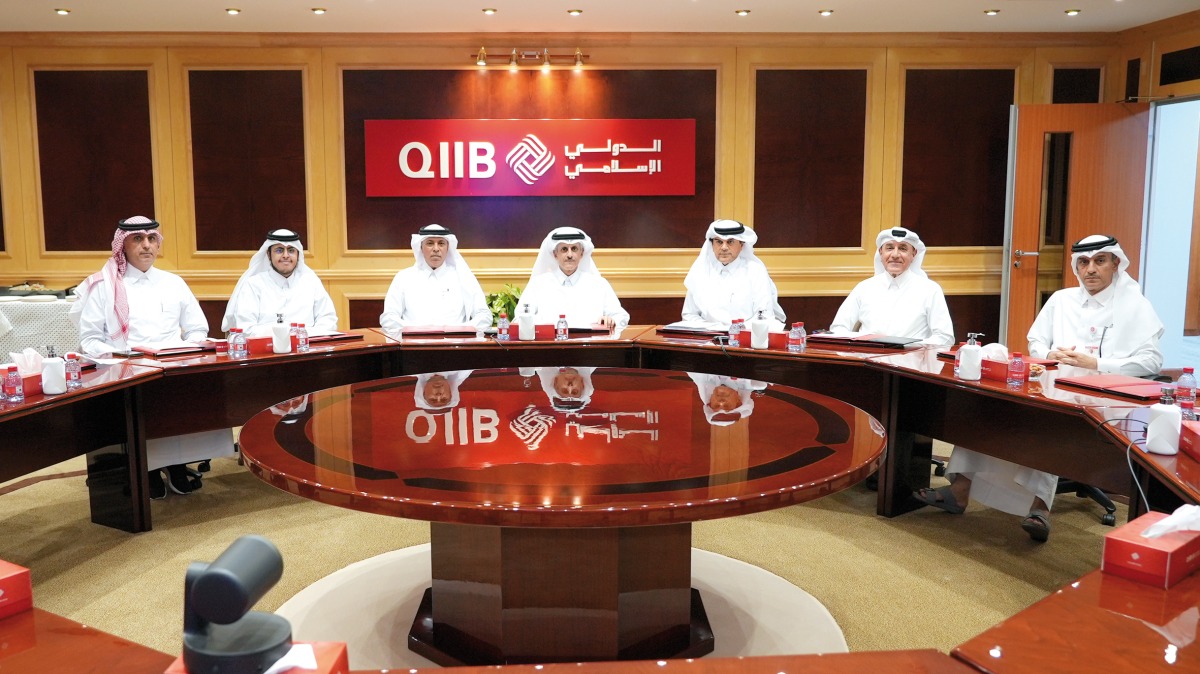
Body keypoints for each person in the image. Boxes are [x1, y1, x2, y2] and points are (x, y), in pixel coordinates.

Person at [914, 234, 1164, 542]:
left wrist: (1095, 364)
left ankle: (1040, 508)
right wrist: (1049, 355)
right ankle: (959, 490)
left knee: (1048, 424)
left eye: (1100, 261)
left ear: (1115, 263)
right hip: (1051, 385)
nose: (1091, 270)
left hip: (1103, 398)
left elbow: (1151, 361)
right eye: (1084, 262)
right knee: (992, 407)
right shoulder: (1061, 300)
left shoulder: (1135, 306)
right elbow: (1036, 341)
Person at [72, 216, 234, 499]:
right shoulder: (103, 285)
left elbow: (197, 328)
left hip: (173, 364)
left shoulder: (174, 282)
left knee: (195, 393)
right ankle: (145, 469)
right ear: (122, 246)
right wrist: (122, 357)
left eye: (152, 239)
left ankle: (177, 465)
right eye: (137, 239)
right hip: (127, 368)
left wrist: (187, 351)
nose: (146, 245)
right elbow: (90, 340)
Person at [830, 227, 954, 346]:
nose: (895, 254)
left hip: (911, 363)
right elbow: (838, 328)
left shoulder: (930, 290)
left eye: (903, 248)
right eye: (889, 248)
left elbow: (944, 337)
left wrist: (909, 346)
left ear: (914, 254)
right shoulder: (864, 288)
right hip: (867, 360)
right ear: (880, 252)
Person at [221, 229, 338, 336]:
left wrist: (300, 336)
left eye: (291, 250)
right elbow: (246, 329)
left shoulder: (310, 281)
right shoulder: (253, 284)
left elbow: (328, 321)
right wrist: (283, 334)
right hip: (265, 354)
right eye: (279, 250)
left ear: (298, 255)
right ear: (268, 255)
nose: (286, 255)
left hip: (306, 350)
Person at [380, 224, 491, 332]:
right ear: (421, 248)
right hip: (413, 346)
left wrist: (458, 330)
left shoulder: (463, 277)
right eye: (430, 243)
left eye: (441, 243)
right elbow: (388, 318)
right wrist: (419, 331)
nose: (436, 249)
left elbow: (484, 316)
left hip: (455, 345)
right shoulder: (404, 277)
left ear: (448, 248)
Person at [518, 227, 629, 330]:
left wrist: (611, 320)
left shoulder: (599, 284)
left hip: (591, 348)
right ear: (555, 254)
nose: (569, 255)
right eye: (564, 249)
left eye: (574, 249)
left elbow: (621, 317)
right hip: (550, 348)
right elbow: (519, 318)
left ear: (581, 253)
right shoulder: (538, 284)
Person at [681, 220, 785, 330]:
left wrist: (735, 331)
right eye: (719, 242)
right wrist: (713, 329)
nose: (724, 247)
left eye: (730, 242)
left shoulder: (755, 271)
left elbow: (764, 316)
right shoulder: (701, 271)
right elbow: (689, 315)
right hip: (708, 340)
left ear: (741, 245)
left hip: (744, 340)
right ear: (712, 244)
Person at [687, 372, 766, 426]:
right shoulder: (755, 382)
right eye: (727, 406)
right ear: (738, 402)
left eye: (716, 405)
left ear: (710, 400)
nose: (721, 402)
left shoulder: (700, 376)